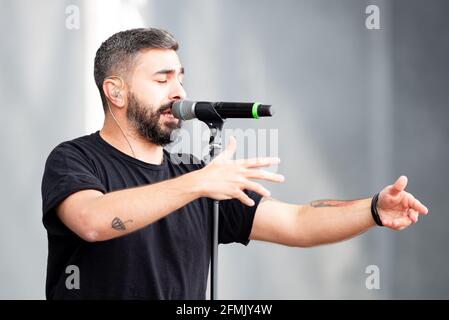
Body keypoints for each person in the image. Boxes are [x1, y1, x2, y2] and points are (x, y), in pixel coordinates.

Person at [41, 28, 429, 300]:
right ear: (116, 92)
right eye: (163, 80)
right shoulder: (74, 159)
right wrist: (198, 184)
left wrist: (373, 209)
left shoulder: (198, 176)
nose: (180, 92)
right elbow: (92, 222)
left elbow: (297, 222)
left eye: (181, 78)